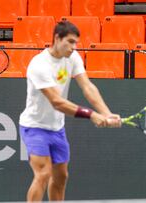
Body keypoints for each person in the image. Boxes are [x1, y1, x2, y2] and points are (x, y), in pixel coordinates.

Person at [19, 21, 122, 202]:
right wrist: (92, 115)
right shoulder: (39, 64)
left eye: (76, 43)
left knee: (61, 177)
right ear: (57, 38)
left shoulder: (72, 58)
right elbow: (57, 102)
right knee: (43, 174)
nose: (74, 47)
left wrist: (106, 113)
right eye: (70, 42)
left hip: (57, 128)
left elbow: (87, 87)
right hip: (34, 127)